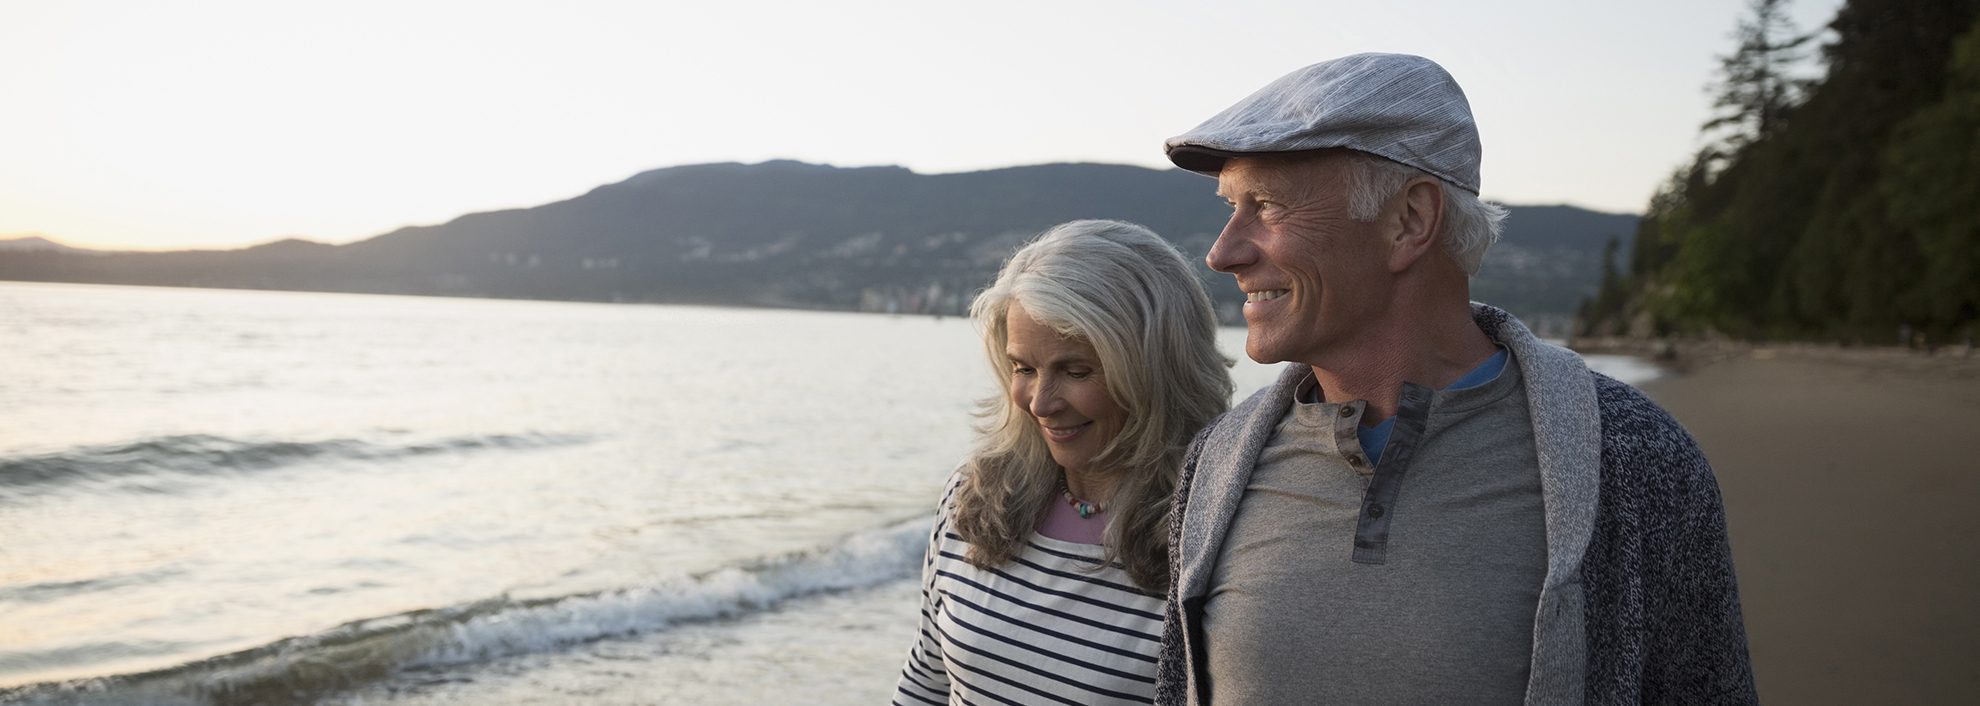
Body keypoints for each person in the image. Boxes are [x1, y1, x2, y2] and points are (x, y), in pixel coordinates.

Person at [1152, 54, 1757, 705]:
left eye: (1264, 206)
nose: (1221, 253)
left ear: (1410, 220)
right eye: (1230, 207)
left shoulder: (1638, 462)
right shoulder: (1216, 463)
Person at [895, 219, 1233, 705]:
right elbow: (925, 683)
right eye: (1023, 368)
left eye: (1075, 371)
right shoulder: (975, 497)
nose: (1040, 402)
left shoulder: (1218, 531)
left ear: (1157, 369)